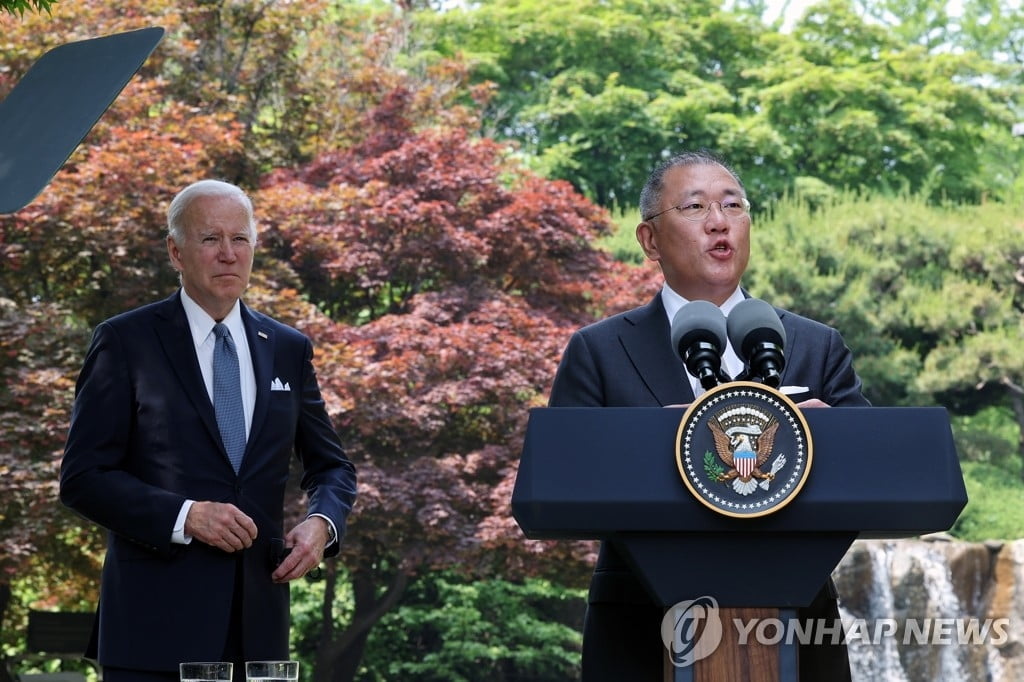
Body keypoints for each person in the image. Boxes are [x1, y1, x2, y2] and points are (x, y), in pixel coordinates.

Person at [548, 150, 867, 680]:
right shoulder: (599, 350)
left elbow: (874, 475)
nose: (720, 222)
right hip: (639, 629)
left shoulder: (817, 344)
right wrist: (655, 444)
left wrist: (826, 439)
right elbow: (561, 483)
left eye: (733, 205)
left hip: (796, 625)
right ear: (649, 239)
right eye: (695, 207)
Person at [59, 179, 358, 682]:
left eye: (240, 239)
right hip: (152, 635)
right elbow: (83, 477)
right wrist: (186, 515)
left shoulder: (287, 348)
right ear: (175, 251)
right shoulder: (125, 341)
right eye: (210, 239)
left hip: (260, 635)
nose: (228, 254)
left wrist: (322, 525)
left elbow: (332, 466)